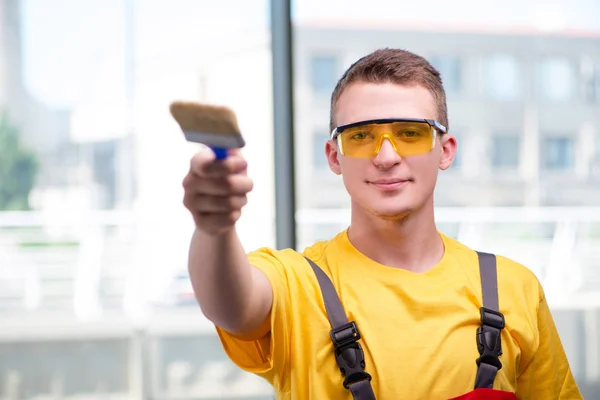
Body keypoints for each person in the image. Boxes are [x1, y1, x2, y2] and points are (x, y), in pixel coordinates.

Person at [181, 48, 582, 399]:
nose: (387, 156)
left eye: (410, 133)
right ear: (334, 156)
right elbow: (230, 306)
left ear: (446, 150)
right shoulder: (298, 284)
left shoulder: (514, 288)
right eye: (361, 136)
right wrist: (214, 227)